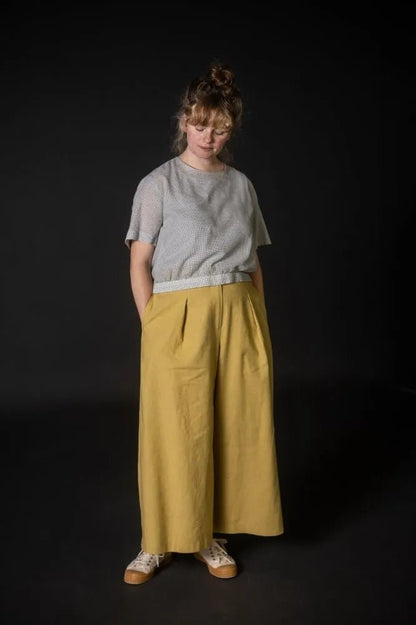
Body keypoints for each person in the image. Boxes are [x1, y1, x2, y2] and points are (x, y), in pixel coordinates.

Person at [123, 61, 284, 584]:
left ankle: (207, 536)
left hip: (238, 310)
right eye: (199, 125)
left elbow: (253, 261)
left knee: (234, 423)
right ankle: (157, 541)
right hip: (178, 312)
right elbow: (140, 263)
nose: (208, 137)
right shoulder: (158, 183)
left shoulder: (241, 185)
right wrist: (154, 325)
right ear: (184, 122)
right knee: (174, 427)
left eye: (220, 128)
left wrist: (259, 321)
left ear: (230, 129)